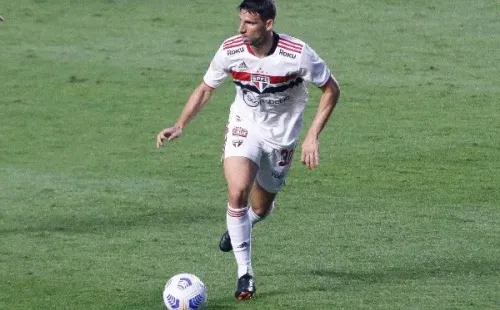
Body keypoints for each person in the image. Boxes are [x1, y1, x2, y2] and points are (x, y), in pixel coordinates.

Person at [156, 0, 340, 300]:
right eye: (241, 21)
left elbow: (332, 89)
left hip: (282, 136)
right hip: (245, 125)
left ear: (268, 24)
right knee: (237, 190)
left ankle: (242, 225)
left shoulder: (297, 54)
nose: (241, 28)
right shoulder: (230, 49)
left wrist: (312, 137)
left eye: (250, 23)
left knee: (260, 208)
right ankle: (245, 274)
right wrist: (180, 124)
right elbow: (206, 88)